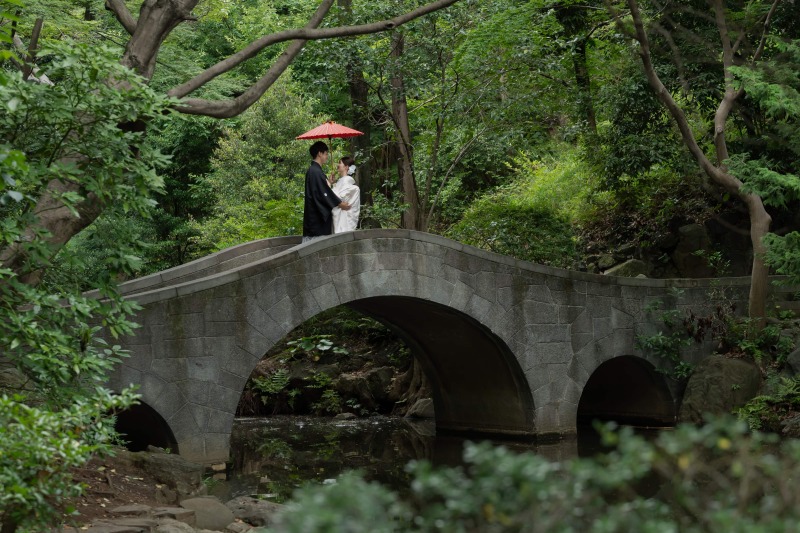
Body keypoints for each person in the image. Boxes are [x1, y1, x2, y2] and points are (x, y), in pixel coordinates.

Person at [302, 141, 350, 242]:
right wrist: (340, 204)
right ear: (320, 153)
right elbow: (323, 194)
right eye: (326, 153)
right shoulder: (315, 172)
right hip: (316, 217)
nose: (327, 156)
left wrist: (329, 182)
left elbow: (320, 189)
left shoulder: (314, 171)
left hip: (313, 215)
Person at [330, 156, 361, 233]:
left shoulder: (349, 184)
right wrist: (332, 184)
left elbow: (339, 198)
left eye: (340, 163)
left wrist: (329, 185)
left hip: (345, 222)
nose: (338, 165)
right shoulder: (340, 182)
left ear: (346, 167)